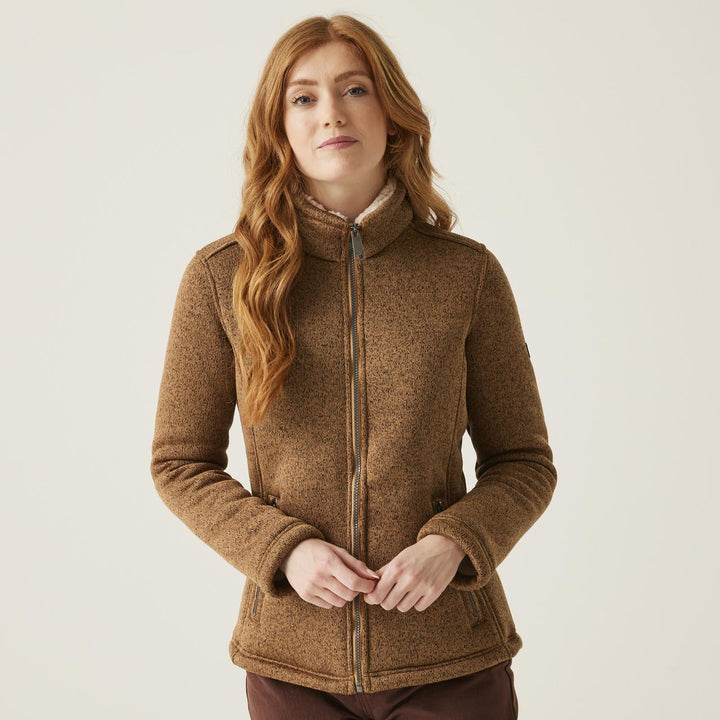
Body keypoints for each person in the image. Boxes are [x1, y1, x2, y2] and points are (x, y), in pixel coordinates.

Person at [150, 13, 556, 720]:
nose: (331, 113)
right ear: (279, 127)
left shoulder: (466, 275)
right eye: (303, 97)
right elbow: (179, 463)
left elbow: (524, 461)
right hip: (292, 667)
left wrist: (454, 542)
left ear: (391, 116)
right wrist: (283, 550)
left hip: (451, 661)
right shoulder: (222, 278)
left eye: (355, 89)